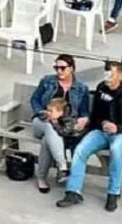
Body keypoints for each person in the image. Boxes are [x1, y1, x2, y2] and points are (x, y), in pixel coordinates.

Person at [56, 60, 122, 213]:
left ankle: (113, 193)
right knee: (80, 150)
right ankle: (73, 191)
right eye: (106, 76)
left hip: (120, 134)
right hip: (100, 131)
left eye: (111, 76)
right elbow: (95, 113)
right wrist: (100, 122)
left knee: (117, 151)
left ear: (120, 76)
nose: (107, 80)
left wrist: (118, 127)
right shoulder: (101, 88)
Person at [29, 55, 90, 191]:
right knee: (50, 126)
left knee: (48, 139)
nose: (59, 71)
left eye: (62, 68)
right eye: (56, 68)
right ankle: (62, 166)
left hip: (64, 127)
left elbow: (84, 111)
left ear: (72, 69)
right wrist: (42, 112)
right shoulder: (47, 81)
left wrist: (84, 119)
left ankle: (41, 178)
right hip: (42, 121)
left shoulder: (81, 88)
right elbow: (34, 99)